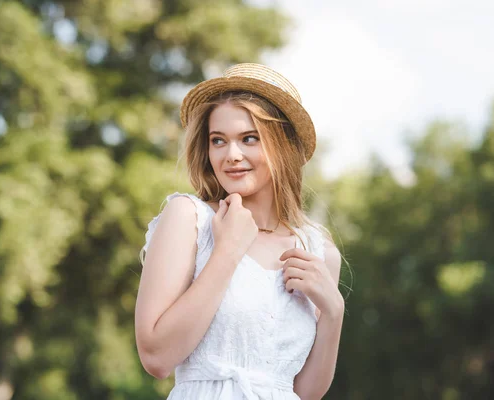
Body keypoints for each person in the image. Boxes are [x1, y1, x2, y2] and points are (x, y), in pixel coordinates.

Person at [135, 63, 344, 400]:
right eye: (218, 140)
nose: (231, 155)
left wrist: (334, 313)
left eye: (249, 138)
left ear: (284, 145)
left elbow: (303, 392)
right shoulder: (190, 219)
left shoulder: (318, 251)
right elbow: (156, 357)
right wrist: (228, 251)